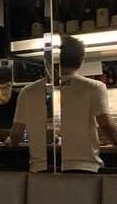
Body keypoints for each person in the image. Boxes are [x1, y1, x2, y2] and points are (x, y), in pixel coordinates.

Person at [9, 36, 117, 173]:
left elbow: (16, 134)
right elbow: (105, 124)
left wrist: (13, 144)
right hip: (83, 168)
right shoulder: (94, 87)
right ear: (81, 61)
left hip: (41, 170)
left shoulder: (27, 91)